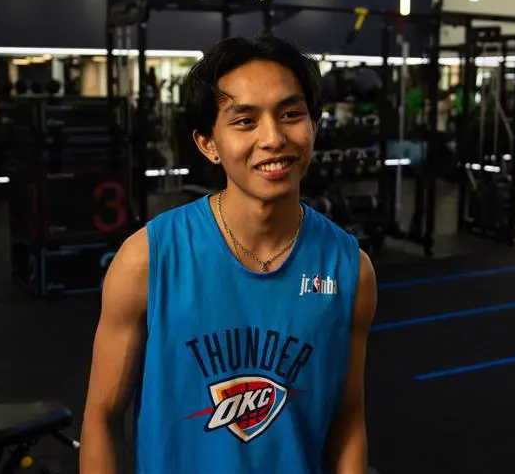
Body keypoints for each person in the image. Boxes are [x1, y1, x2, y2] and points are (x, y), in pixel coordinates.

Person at [81, 35, 378, 474]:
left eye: (292, 115)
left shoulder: (351, 269)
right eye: (245, 121)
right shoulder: (146, 260)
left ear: (314, 125)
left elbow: (348, 417)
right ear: (208, 143)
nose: (273, 138)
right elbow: (102, 418)